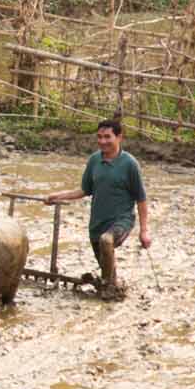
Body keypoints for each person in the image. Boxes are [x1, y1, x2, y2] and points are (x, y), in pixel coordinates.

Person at [45, 118, 150, 300]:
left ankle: (108, 288)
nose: (103, 141)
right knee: (106, 267)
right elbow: (84, 190)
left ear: (119, 138)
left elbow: (141, 199)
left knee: (106, 241)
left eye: (107, 137)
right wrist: (57, 196)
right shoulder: (94, 160)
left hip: (121, 220)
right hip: (97, 222)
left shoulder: (129, 164)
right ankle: (114, 290)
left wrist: (144, 231)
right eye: (99, 137)